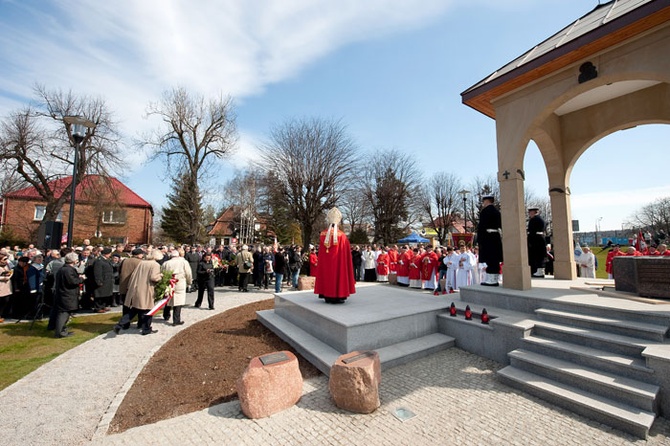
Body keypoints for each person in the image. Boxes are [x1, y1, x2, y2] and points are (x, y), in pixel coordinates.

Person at [114, 249, 164, 335]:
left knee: (134, 310)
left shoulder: (142, 262)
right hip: (146, 288)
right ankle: (146, 328)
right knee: (147, 310)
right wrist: (161, 276)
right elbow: (154, 278)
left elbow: (134, 274)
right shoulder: (155, 264)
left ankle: (120, 324)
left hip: (137, 288)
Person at [314, 207, 356, 304]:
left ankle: (326, 295)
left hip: (326, 263)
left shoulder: (323, 235)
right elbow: (346, 254)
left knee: (326, 275)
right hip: (338, 263)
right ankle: (338, 295)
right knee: (338, 275)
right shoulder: (342, 236)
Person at [52, 253, 84, 338]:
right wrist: (81, 278)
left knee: (65, 313)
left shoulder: (64, 269)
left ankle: (63, 330)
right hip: (67, 294)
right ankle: (59, 332)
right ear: (73, 260)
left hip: (65, 294)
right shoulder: (68, 270)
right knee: (63, 313)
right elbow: (72, 282)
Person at [161, 248, 192, 326]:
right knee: (178, 301)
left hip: (169, 282)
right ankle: (176, 319)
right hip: (180, 282)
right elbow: (188, 273)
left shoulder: (166, 263)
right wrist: (189, 282)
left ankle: (166, 315)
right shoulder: (184, 262)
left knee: (168, 298)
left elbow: (162, 273)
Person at [477, 195, 503, 286]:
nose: (483, 203)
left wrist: (479, 240)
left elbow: (481, 226)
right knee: (495, 258)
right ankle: (494, 279)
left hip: (487, 237)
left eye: (484, 201)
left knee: (490, 258)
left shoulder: (485, 212)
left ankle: (491, 280)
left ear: (487, 201)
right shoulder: (497, 212)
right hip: (496, 237)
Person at [93, 248, 114, 312]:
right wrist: (99, 281)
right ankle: (98, 308)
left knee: (105, 294)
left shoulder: (106, 260)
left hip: (107, 280)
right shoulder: (99, 261)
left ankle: (103, 306)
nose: (110, 255)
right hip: (103, 280)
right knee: (100, 294)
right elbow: (97, 272)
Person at [527, 207, 546, 277]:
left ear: (533, 212)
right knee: (539, 255)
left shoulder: (534, 219)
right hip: (539, 239)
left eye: (530, 212)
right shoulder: (540, 219)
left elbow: (531, 231)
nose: (529, 213)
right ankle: (539, 271)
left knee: (536, 255)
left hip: (535, 239)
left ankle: (538, 271)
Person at [0, 254, 13, 323]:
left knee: (6, 300)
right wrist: (4, 277)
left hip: (7, 286)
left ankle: (2, 315)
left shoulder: (7, 265)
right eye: (4, 259)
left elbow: (10, 271)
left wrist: (10, 274)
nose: (6, 261)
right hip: (1, 286)